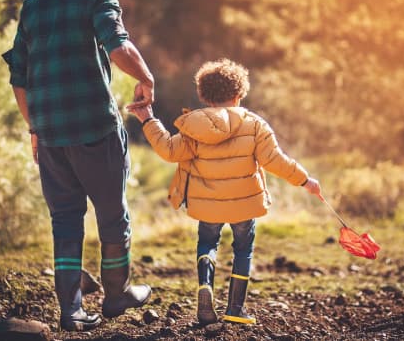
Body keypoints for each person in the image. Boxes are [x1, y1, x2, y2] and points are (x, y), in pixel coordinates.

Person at [2, 0, 154, 331]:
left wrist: (35, 129)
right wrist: (146, 78)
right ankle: (117, 294)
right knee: (113, 215)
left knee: (65, 220)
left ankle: (70, 312)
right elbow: (118, 44)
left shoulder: (32, 5)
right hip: (95, 131)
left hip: (50, 133)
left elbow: (19, 78)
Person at [127, 59, 322, 325]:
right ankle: (235, 309)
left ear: (203, 95)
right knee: (243, 250)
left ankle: (205, 286)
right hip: (244, 205)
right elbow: (275, 160)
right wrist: (304, 180)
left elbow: (168, 150)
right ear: (239, 94)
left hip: (207, 206)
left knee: (208, 243)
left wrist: (147, 118)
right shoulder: (254, 124)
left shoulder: (193, 125)